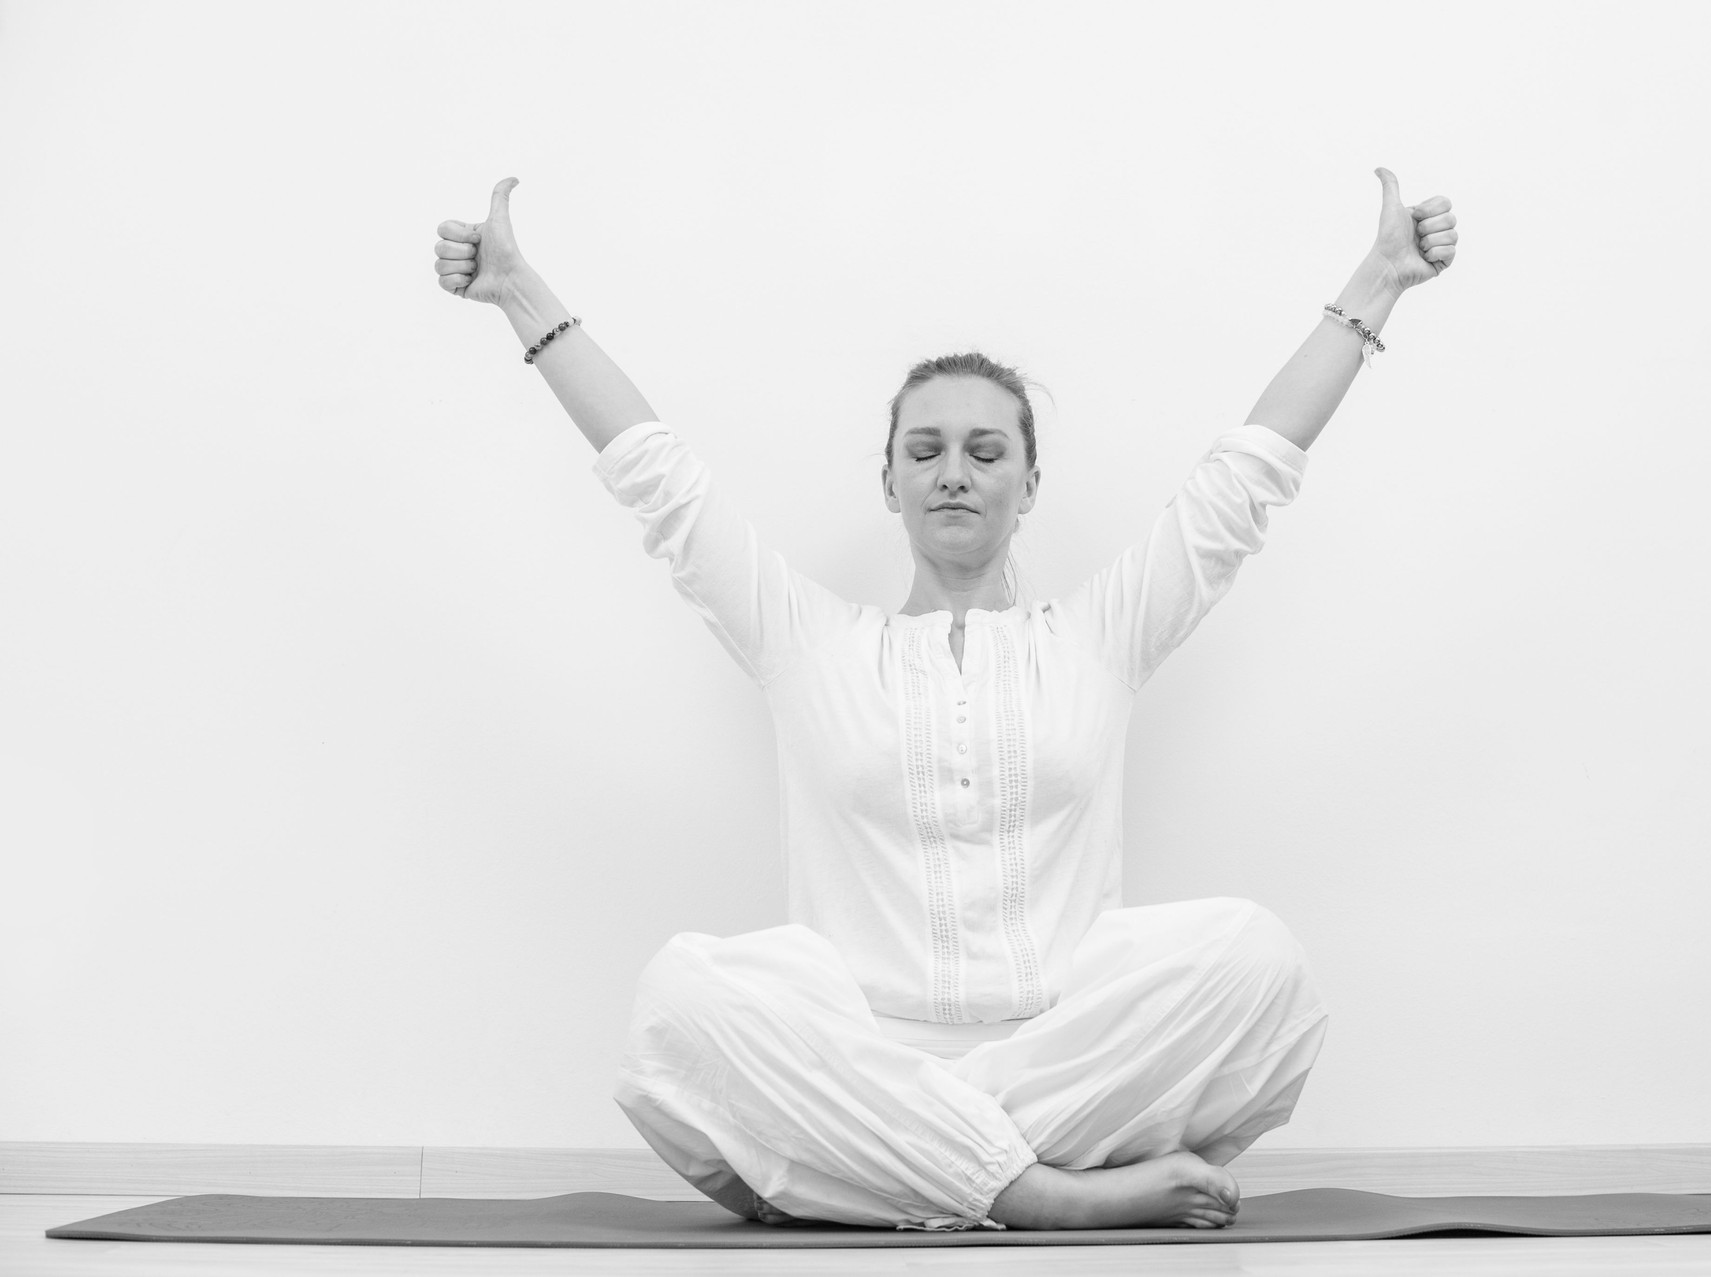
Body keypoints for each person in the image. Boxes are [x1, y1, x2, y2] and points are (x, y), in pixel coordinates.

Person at [433, 169, 1458, 1231]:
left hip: (1069, 1052)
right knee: (681, 1001)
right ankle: (1039, 1189)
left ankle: (870, 1168)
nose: (954, 472)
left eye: (985, 451)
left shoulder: (1095, 640)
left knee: (1259, 962)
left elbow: (1246, 479)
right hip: (861, 1050)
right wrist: (520, 292)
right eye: (924, 451)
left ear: (1029, 483)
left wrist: (1379, 280)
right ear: (890, 481)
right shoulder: (810, 645)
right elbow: (659, 478)